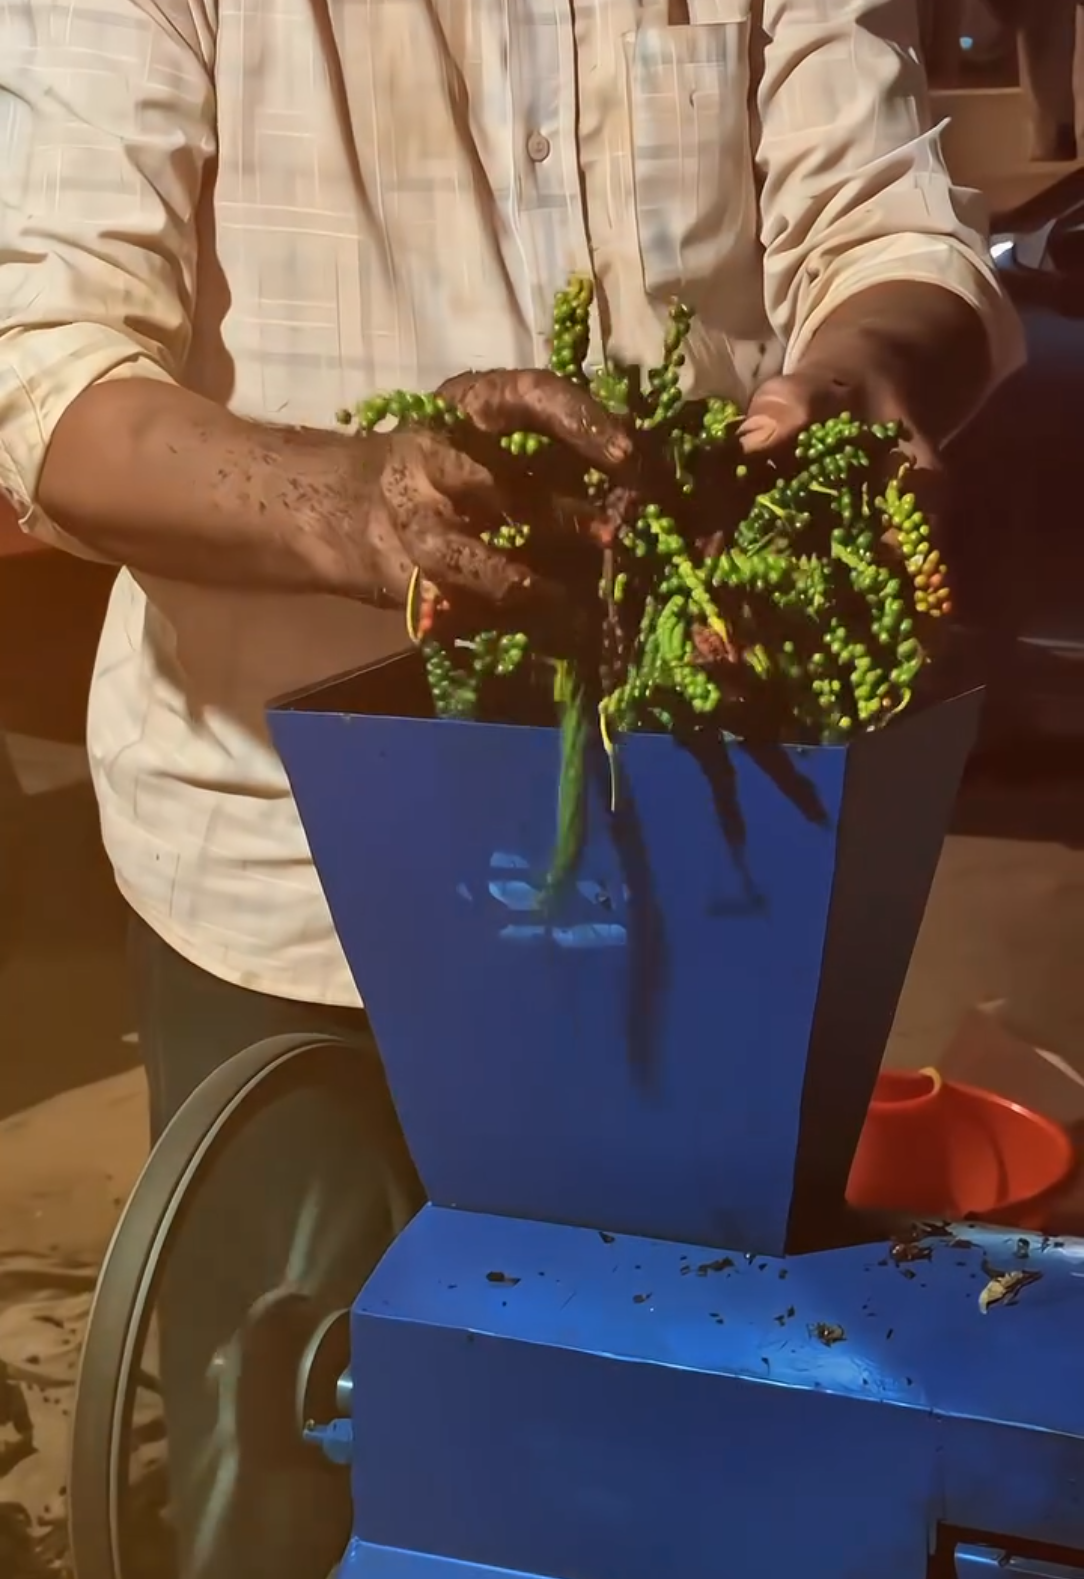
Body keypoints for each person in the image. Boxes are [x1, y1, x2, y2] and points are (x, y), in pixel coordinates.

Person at [0, 0, 1022, 1574]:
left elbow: (896, 236)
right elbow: (50, 376)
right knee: (286, 1476)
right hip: (290, 887)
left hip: (705, 872)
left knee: (671, 1451)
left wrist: (852, 379)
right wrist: (356, 506)